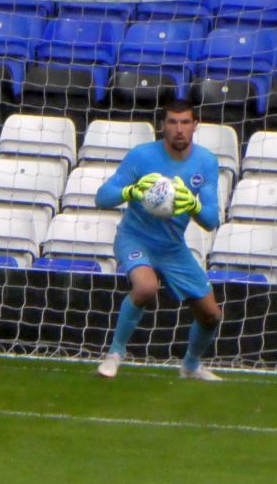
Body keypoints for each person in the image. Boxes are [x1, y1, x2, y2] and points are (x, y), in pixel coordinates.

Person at [94, 99, 223, 381]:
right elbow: (102, 197)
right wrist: (129, 192)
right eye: (173, 122)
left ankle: (190, 366)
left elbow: (212, 220)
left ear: (195, 125)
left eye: (186, 122)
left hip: (173, 248)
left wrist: (195, 206)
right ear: (162, 125)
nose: (179, 129)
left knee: (212, 315)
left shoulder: (206, 162)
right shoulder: (141, 156)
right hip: (135, 238)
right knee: (146, 287)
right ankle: (114, 354)